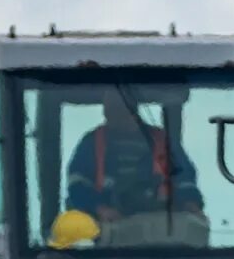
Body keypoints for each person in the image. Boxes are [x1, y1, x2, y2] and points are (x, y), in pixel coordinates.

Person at [65, 93, 204, 225]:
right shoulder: (91, 142)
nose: (109, 114)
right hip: (106, 233)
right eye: (108, 109)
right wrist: (99, 209)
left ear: (132, 109)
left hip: (161, 228)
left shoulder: (162, 141)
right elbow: (77, 184)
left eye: (116, 108)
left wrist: (190, 203)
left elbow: (185, 178)